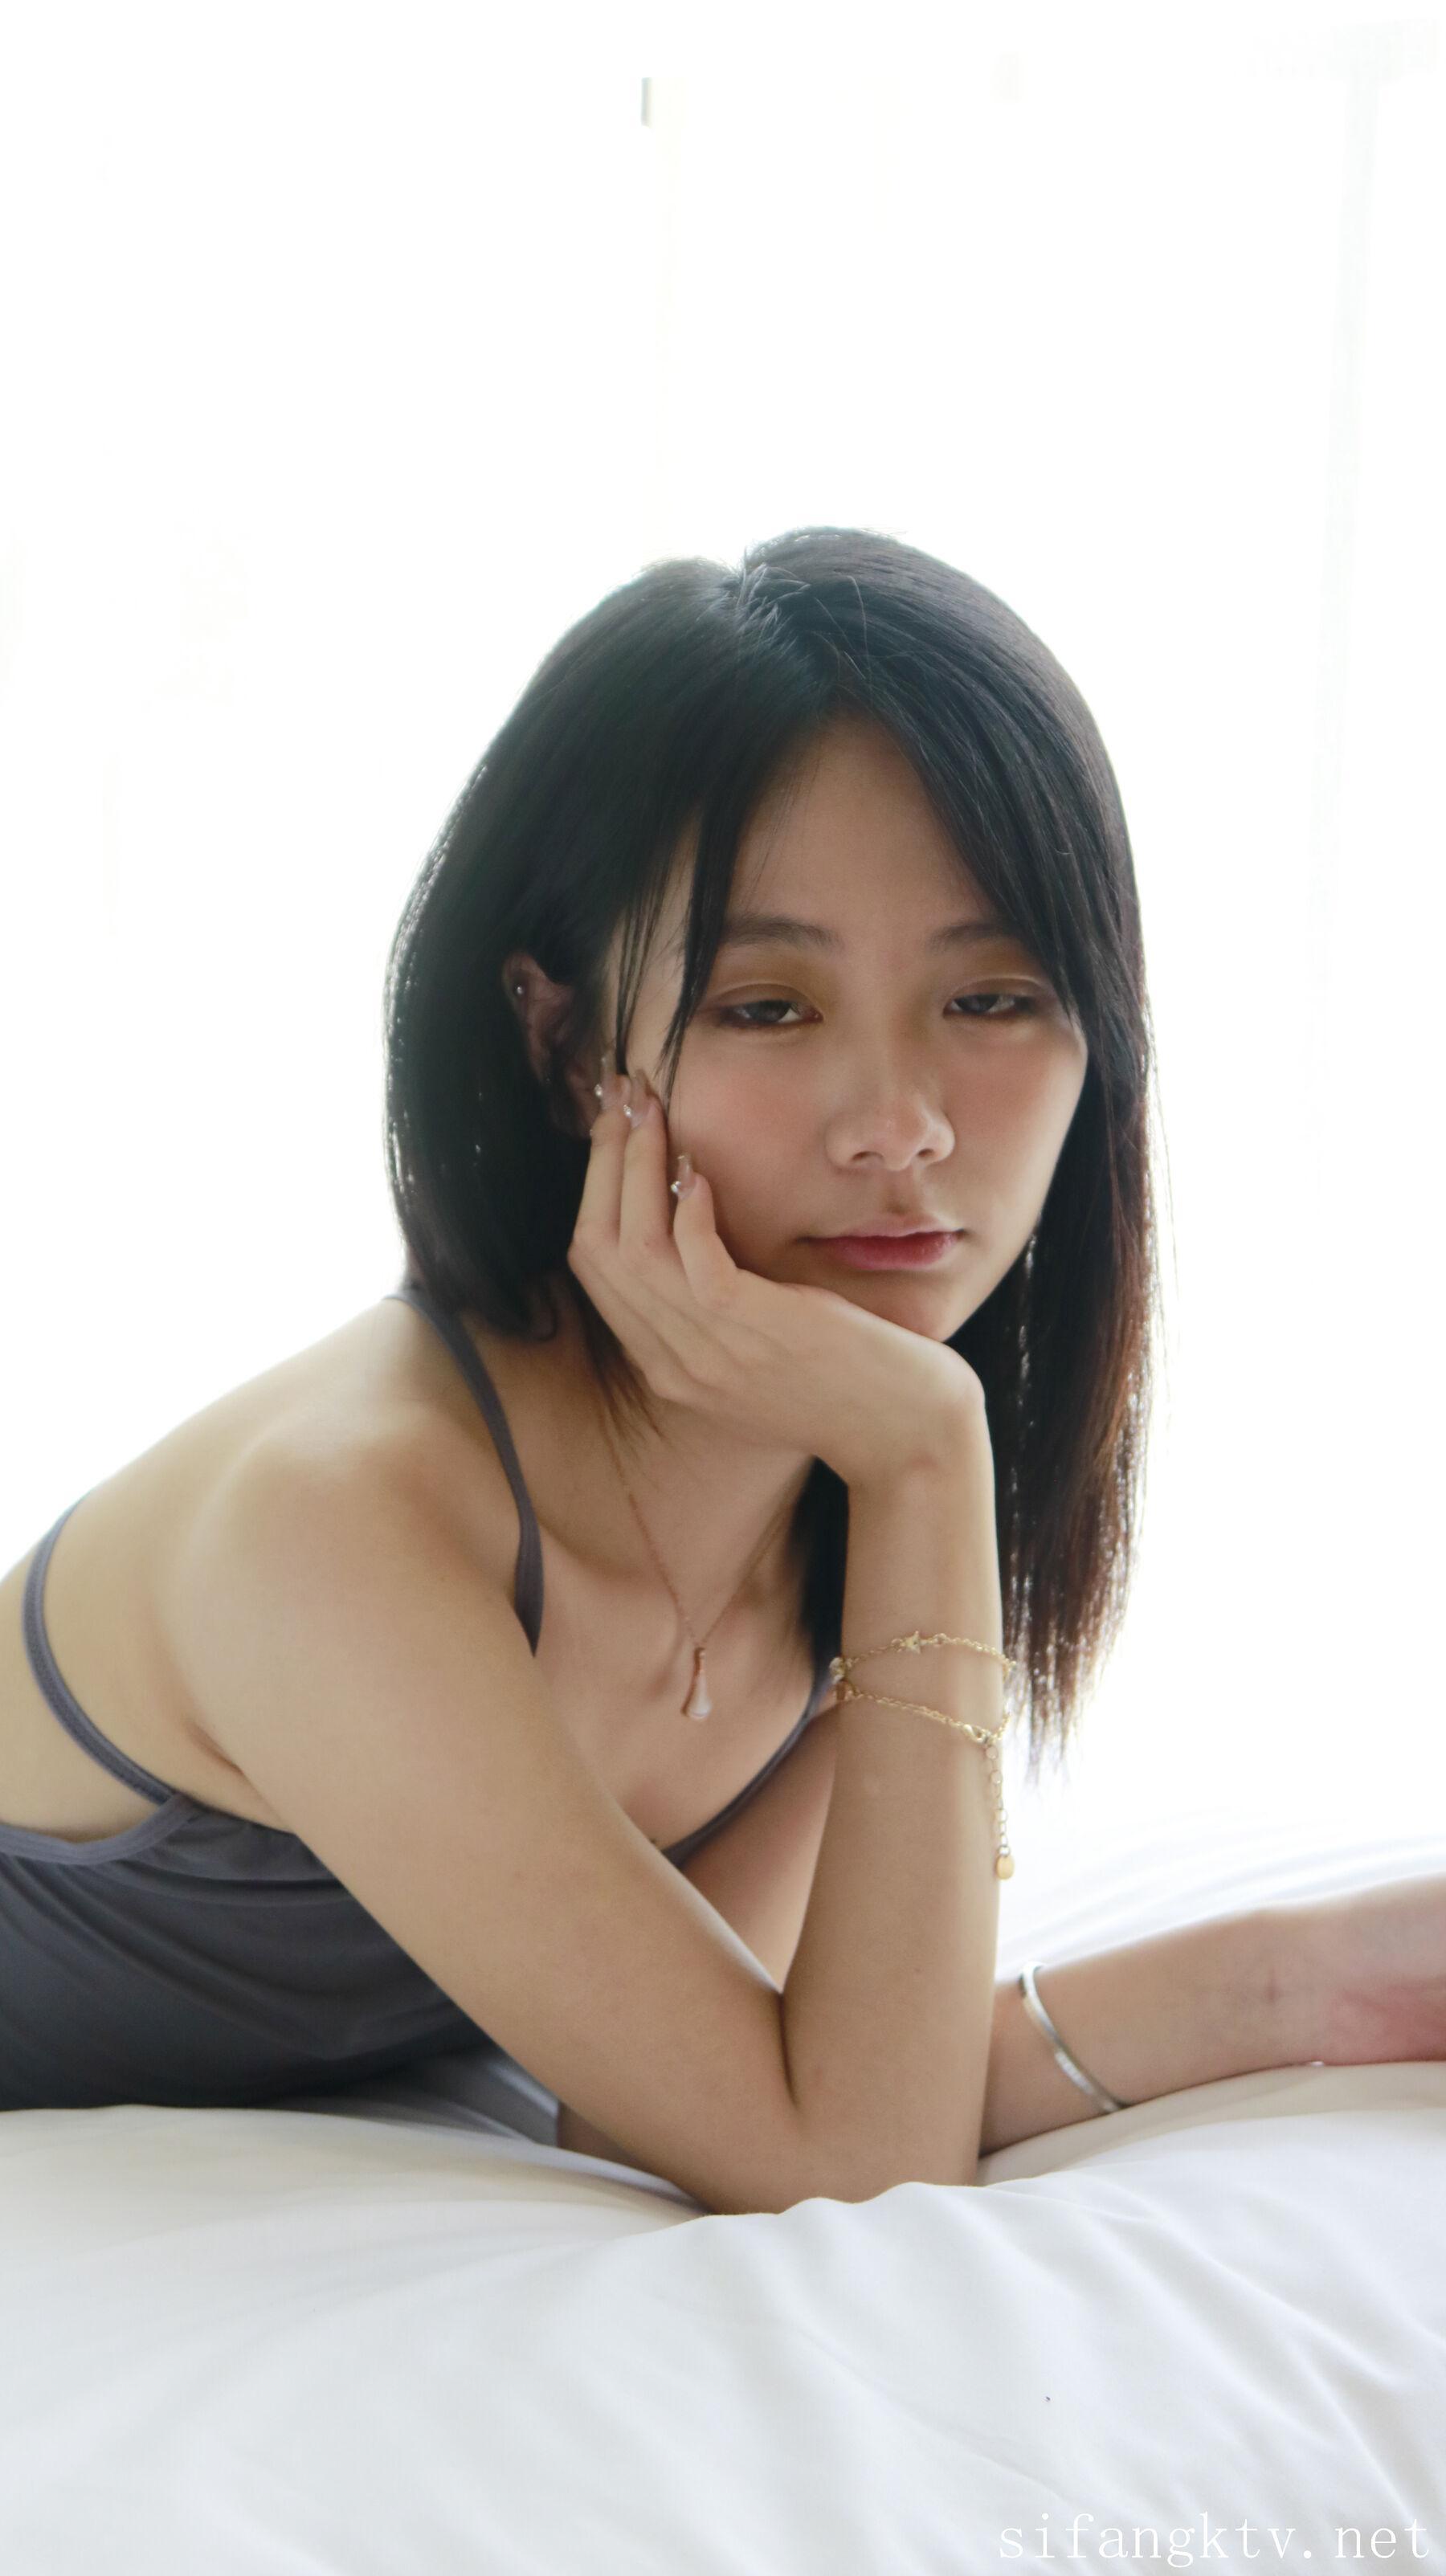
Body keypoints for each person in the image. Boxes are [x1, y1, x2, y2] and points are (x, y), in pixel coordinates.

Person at [2, 528, 1440, 2210]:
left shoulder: (819, 1494)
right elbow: (841, 2149)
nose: (902, 1126)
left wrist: (1314, 1980)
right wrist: (931, 1453)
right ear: (561, 1047)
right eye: (769, 1006)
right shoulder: (337, 1520)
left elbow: (738, 2095)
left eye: (992, 997)